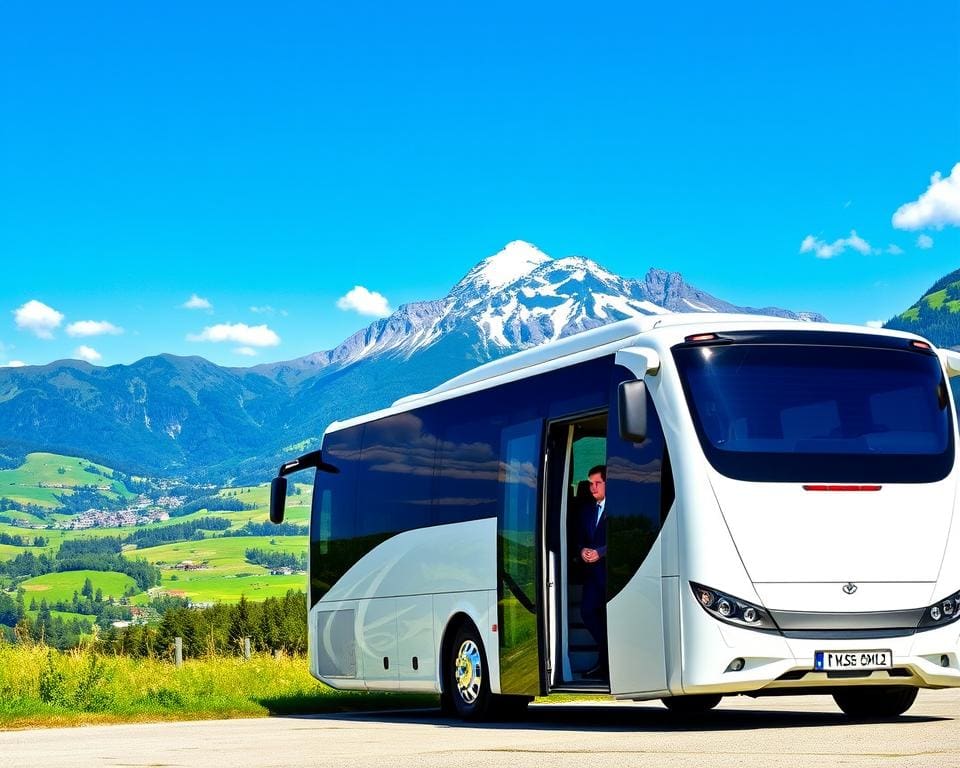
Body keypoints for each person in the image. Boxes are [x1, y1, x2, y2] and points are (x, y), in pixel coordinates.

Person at [579, 464, 607, 678]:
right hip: (591, 575)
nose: (592, 488)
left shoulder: (618, 507)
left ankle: (605, 661)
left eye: (597, 483)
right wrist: (582, 551)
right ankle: (605, 653)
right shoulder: (587, 510)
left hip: (612, 574)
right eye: (590, 483)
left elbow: (624, 534)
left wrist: (600, 552)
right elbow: (578, 537)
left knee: (609, 618)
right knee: (587, 612)